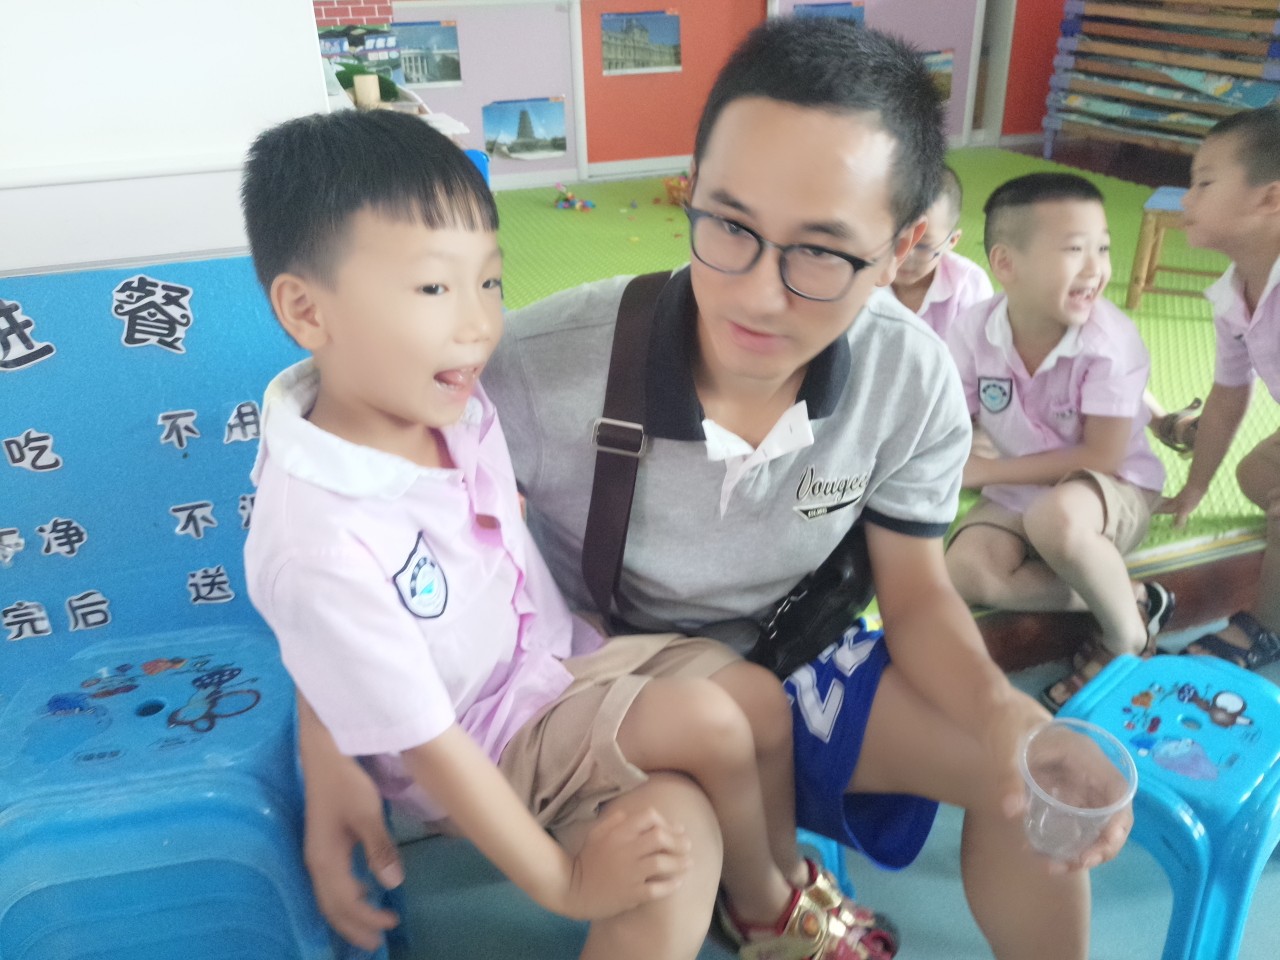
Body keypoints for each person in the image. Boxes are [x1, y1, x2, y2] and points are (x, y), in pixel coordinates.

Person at [296, 21, 1132, 960]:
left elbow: (916, 596)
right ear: (691, 191)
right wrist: (327, 748)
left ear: (904, 249)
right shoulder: (533, 367)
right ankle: (758, 901)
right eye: (730, 226)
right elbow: (347, 529)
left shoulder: (910, 378)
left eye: (821, 252)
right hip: (605, 686)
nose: (759, 294)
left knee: (1023, 777)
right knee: (670, 854)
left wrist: (1010, 715)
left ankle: (772, 891)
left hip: (797, 658)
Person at [239, 109, 899, 960]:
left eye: (489, 281)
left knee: (755, 704)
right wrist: (564, 880)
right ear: (306, 310)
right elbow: (428, 744)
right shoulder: (319, 536)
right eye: (435, 290)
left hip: (557, 663)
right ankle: (774, 912)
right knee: (702, 750)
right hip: (485, 742)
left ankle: (763, 895)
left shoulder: (443, 400)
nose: (479, 324)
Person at [943, 173, 1173, 711]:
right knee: (966, 570)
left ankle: (1125, 639)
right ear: (1006, 264)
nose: (1096, 269)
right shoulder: (974, 331)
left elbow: (1102, 457)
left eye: (1103, 248)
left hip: (1112, 488)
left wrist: (985, 471)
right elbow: (955, 419)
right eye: (1074, 249)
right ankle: (1133, 598)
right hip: (1025, 489)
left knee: (1056, 520)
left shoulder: (1109, 342)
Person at [1161, 105, 1280, 670]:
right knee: (1254, 476)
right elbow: (1230, 395)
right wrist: (1195, 488)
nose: (1187, 200)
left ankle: (1266, 629)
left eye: (1204, 183)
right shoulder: (1233, 295)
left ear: (1270, 198)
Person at [889, 164, 993, 339]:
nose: (904, 255)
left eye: (922, 246)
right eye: (894, 240)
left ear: (952, 241)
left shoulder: (968, 286)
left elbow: (980, 350)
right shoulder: (861, 276)